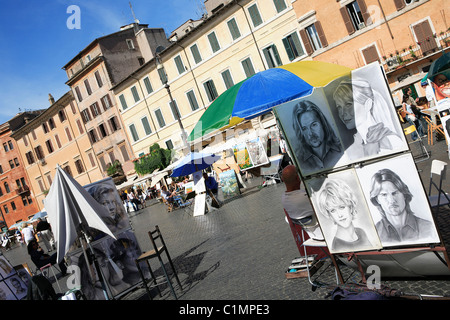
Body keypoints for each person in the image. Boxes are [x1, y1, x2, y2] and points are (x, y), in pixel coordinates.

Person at [333, 78, 403, 158]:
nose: (342, 113)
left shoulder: (390, 140)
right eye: (339, 107)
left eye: (348, 105)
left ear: (368, 104)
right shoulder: (356, 144)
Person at [369, 168, 436, 244]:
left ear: (404, 194)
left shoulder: (428, 227)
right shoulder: (375, 234)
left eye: (394, 193)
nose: (391, 200)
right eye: (384, 195)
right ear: (377, 200)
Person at [316, 179, 373, 253]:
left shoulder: (361, 232)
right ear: (330, 215)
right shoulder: (338, 246)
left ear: (350, 206)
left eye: (342, 207)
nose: (339, 215)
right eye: (333, 210)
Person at [292, 100, 343, 173]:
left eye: (313, 125)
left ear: (322, 123)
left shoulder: (340, 149)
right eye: (304, 128)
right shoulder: (300, 162)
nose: (310, 133)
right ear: (300, 132)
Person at [281, 165, 323, 241]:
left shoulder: (284, 199)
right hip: (325, 234)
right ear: (298, 178)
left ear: (282, 180)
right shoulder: (306, 197)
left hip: (312, 235)